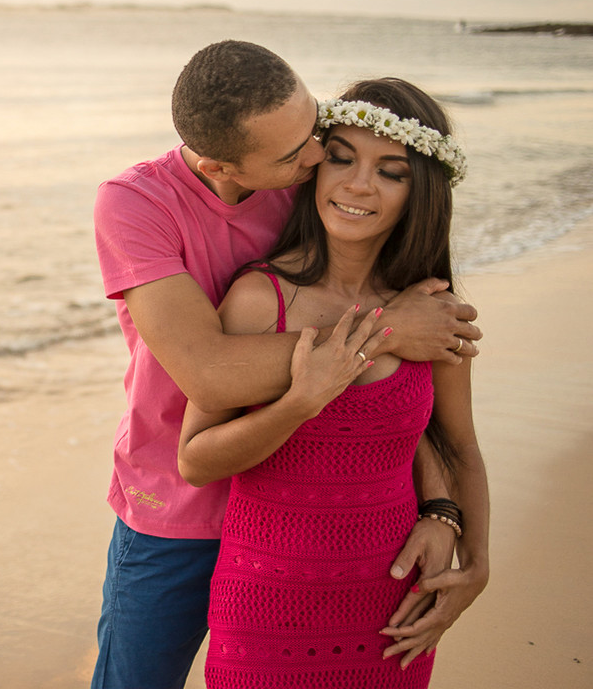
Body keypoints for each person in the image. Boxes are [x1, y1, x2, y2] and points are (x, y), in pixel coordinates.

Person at [91, 41, 483, 689]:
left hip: (301, 514)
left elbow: (387, 400)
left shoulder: (312, 184)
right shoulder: (136, 204)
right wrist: (386, 331)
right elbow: (211, 374)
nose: (316, 157)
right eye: (298, 153)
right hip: (177, 505)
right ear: (223, 165)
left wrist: (440, 505)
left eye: (314, 129)